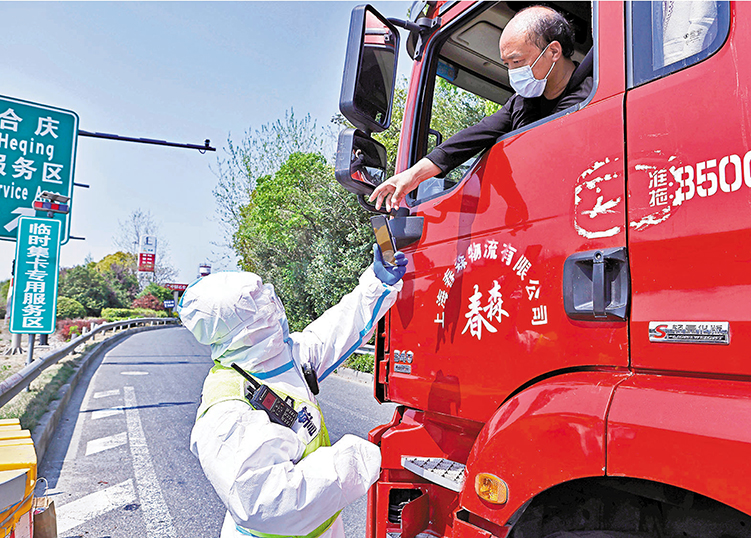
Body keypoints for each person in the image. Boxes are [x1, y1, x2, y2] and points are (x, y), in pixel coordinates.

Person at [182, 245, 408, 538]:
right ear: (242, 326)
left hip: (324, 528)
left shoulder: (282, 357)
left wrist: (376, 285)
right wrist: (362, 457)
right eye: (260, 302)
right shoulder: (225, 408)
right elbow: (266, 503)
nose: (272, 304)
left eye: (266, 293)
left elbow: (336, 331)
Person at [369, 5, 593, 212]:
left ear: (553, 52)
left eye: (517, 62)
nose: (513, 73)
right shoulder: (523, 102)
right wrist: (412, 175)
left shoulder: (591, 95)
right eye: (507, 65)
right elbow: (471, 138)